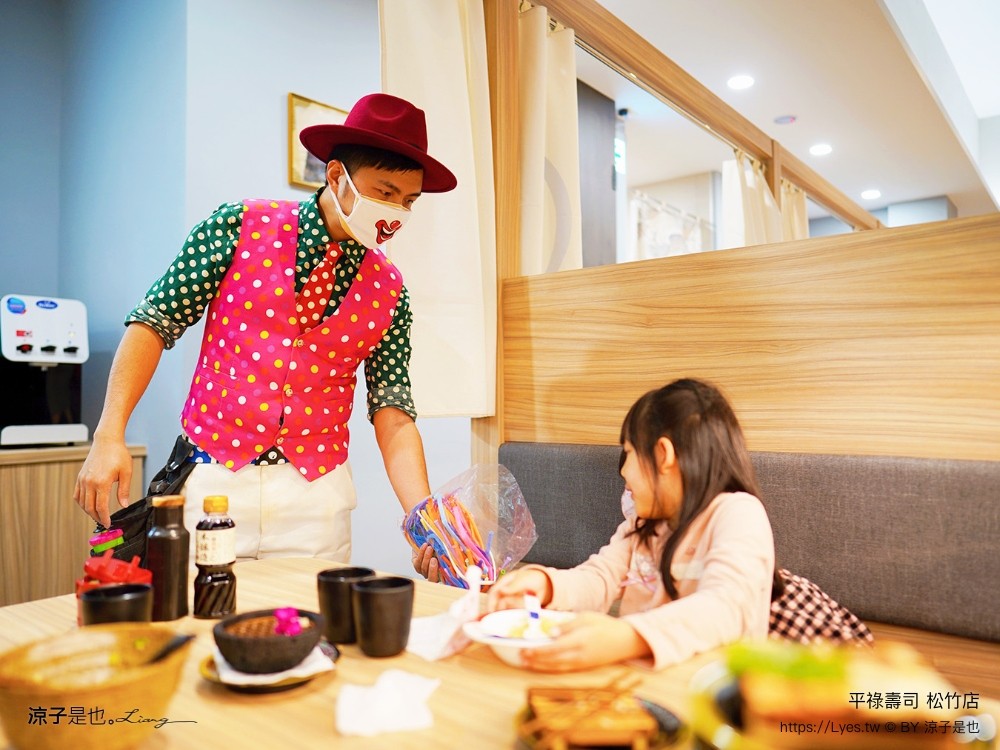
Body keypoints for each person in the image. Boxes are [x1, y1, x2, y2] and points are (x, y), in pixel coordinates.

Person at [74, 93, 451, 575]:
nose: (395, 212)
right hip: (212, 483)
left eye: (408, 200)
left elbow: (393, 411)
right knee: (199, 628)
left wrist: (423, 519)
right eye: (384, 192)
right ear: (337, 176)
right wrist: (109, 434)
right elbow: (154, 322)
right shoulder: (236, 227)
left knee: (311, 640)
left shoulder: (390, 290)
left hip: (316, 502)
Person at [485, 378, 776, 671]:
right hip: (642, 683)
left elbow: (726, 606)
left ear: (664, 454)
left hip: (713, 696)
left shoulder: (738, 513)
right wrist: (546, 585)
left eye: (629, 453)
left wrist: (630, 636)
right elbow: (599, 578)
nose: (623, 471)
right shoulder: (642, 526)